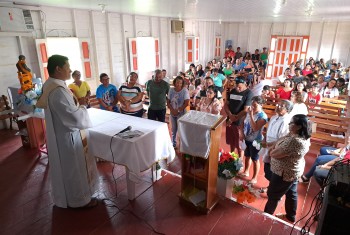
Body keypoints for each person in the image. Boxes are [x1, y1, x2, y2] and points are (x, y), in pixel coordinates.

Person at [36, 54, 98, 209]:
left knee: (69, 169)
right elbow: (74, 118)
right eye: (67, 67)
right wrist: (83, 107)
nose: (70, 71)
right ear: (58, 69)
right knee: (74, 169)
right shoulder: (59, 91)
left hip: (60, 135)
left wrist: (78, 103)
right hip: (68, 137)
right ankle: (79, 201)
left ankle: (71, 198)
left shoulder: (51, 84)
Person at [264, 114, 311, 223]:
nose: (289, 125)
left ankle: (266, 216)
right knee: (291, 193)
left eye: (291, 123)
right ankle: (290, 216)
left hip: (283, 173)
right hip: (293, 171)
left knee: (273, 195)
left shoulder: (295, 141)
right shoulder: (295, 135)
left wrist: (272, 149)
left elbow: (274, 154)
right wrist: (271, 145)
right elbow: (280, 141)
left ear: (299, 126)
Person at [260, 100, 293, 192]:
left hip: (276, 148)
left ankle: (274, 189)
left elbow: (282, 139)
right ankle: (271, 186)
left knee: (274, 169)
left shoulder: (287, 121)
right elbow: (268, 129)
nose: (278, 106)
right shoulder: (274, 117)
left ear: (287, 110)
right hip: (268, 145)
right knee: (268, 169)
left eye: (281, 106)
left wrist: (269, 145)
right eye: (278, 104)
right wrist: (264, 138)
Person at [239, 96, 268, 184]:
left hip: (256, 141)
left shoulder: (262, 116)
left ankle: (254, 177)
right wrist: (242, 133)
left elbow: (255, 128)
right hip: (246, 138)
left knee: (255, 159)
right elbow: (242, 123)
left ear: (261, 105)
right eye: (251, 104)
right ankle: (246, 171)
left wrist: (251, 115)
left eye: (255, 105)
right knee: (247, 156)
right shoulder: (248, 112)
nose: (252, 106)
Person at [224, 76, 253, 155]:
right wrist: (230, 115)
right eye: (236, 85)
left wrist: (233, 118)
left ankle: (239, 163)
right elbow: (226, 105)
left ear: (245, 84)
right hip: (230, 120)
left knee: (239, 144)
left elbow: (245, 110)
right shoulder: (233, 91)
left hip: (240, 122)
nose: (237, 88)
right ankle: (232, 158)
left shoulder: (249, 93)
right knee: (231, 142)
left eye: (239, 86)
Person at [167, 76, 190, 148]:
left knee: (181, 130)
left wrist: (178, 110)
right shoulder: (171, 90)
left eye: (180, 83)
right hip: (172, 112)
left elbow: (186, 103)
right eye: (177, 82)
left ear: (182, 83)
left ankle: (182, 145)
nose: (178, 84)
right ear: (174, 82)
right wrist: (172, 110)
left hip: (181, 113)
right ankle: (173, 143)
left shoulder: (184, 90)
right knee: (173, 129)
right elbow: (168, 102)